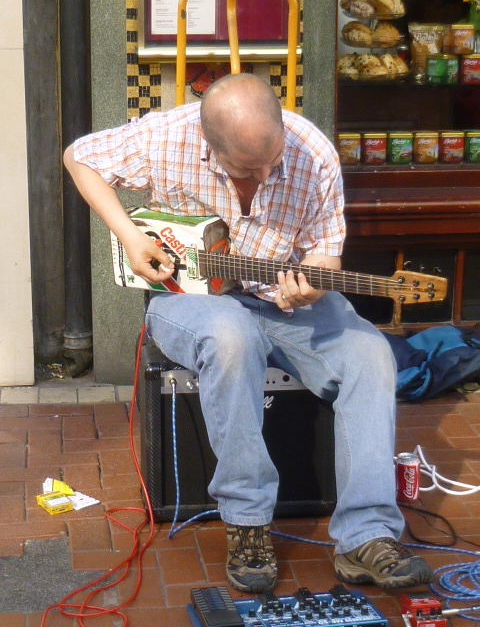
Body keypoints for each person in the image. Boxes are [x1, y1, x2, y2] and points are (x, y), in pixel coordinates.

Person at [64, 73, 433, 594]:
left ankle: (366, 536)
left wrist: (311, 286)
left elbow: (325, 255)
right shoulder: (166, 135)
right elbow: (78, 157)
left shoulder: (314, 154)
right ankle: (247, 522)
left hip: (285, 301)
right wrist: (128, 234)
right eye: (246, 168)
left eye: (272, 161)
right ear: (207, 141)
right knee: (231, 336)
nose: (262, 175)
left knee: (371, 353)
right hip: (190, 299)